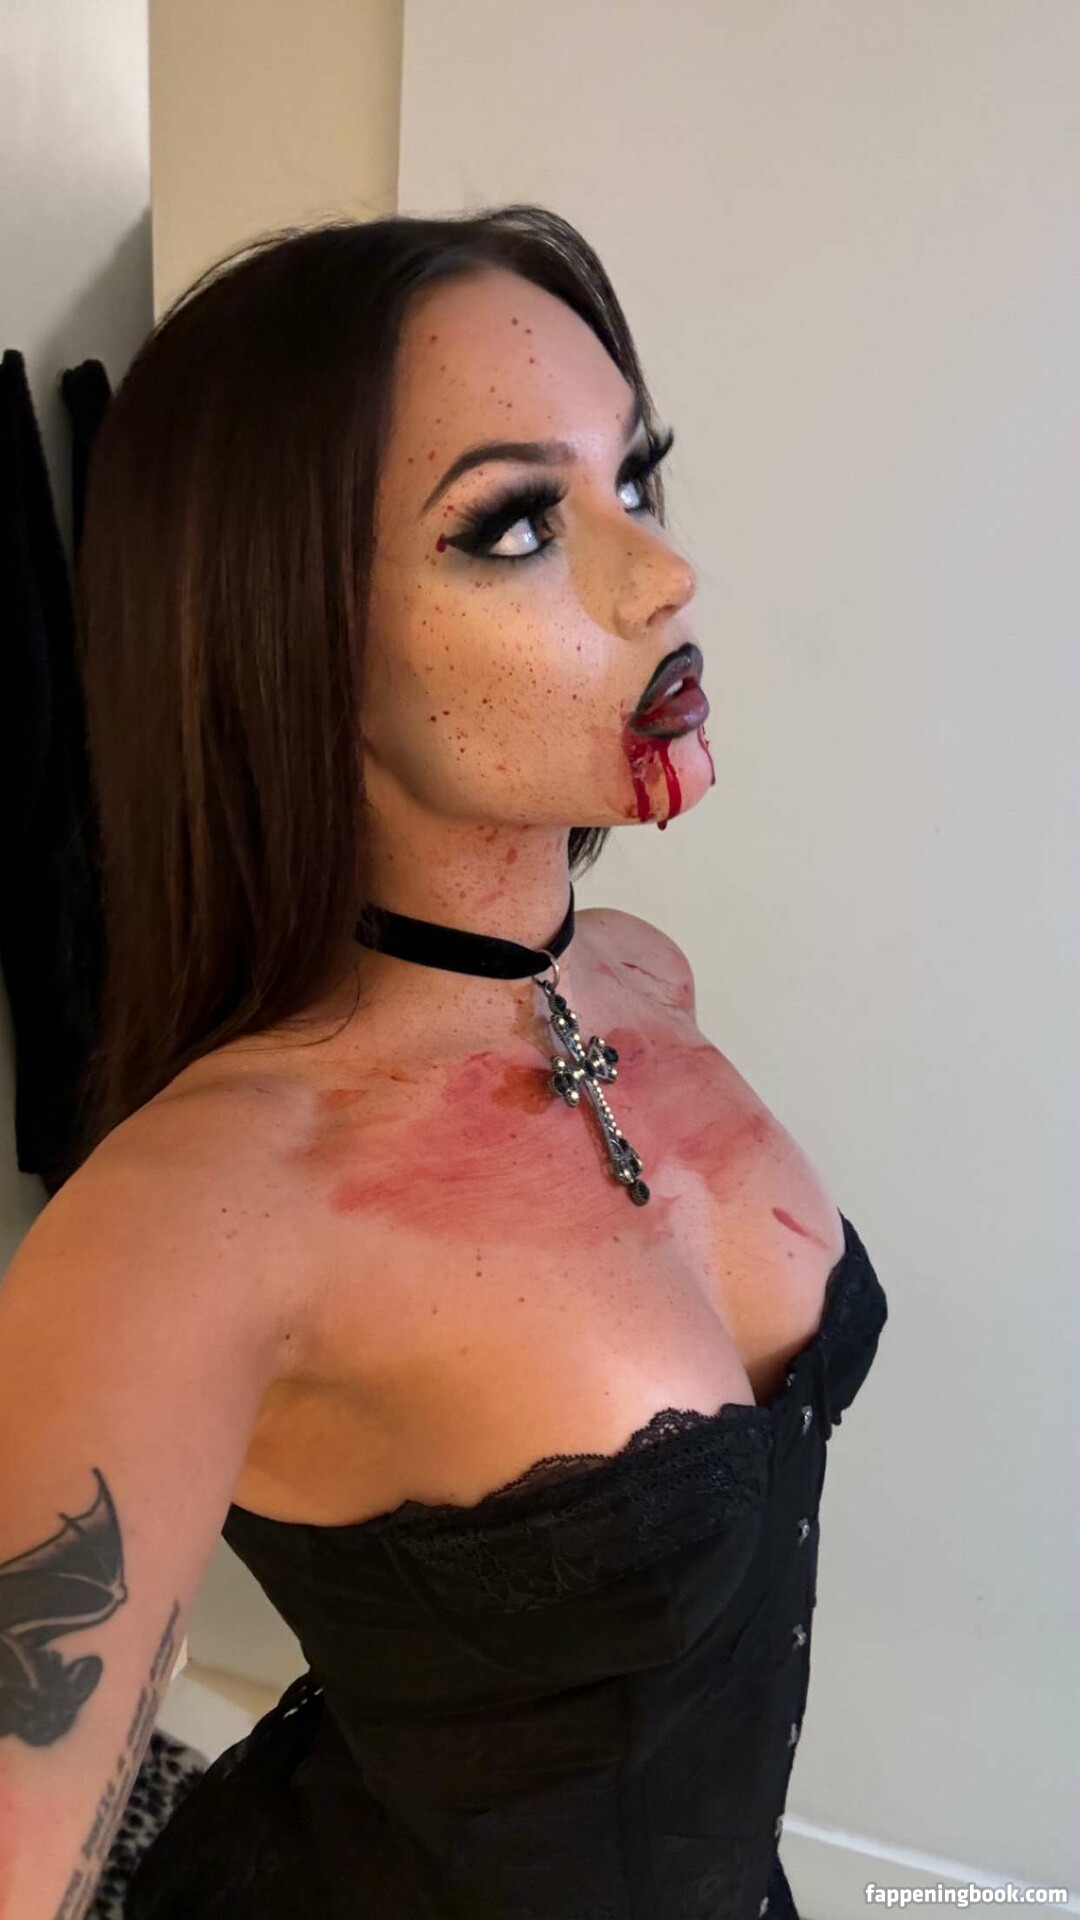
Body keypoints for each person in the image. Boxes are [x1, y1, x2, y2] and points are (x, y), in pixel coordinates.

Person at [0, 205, 888, 1918]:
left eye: (636, 478)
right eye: (518, 525)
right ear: (282, 635)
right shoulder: (196, 1219)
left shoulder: (640, 976)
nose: (666, 574)